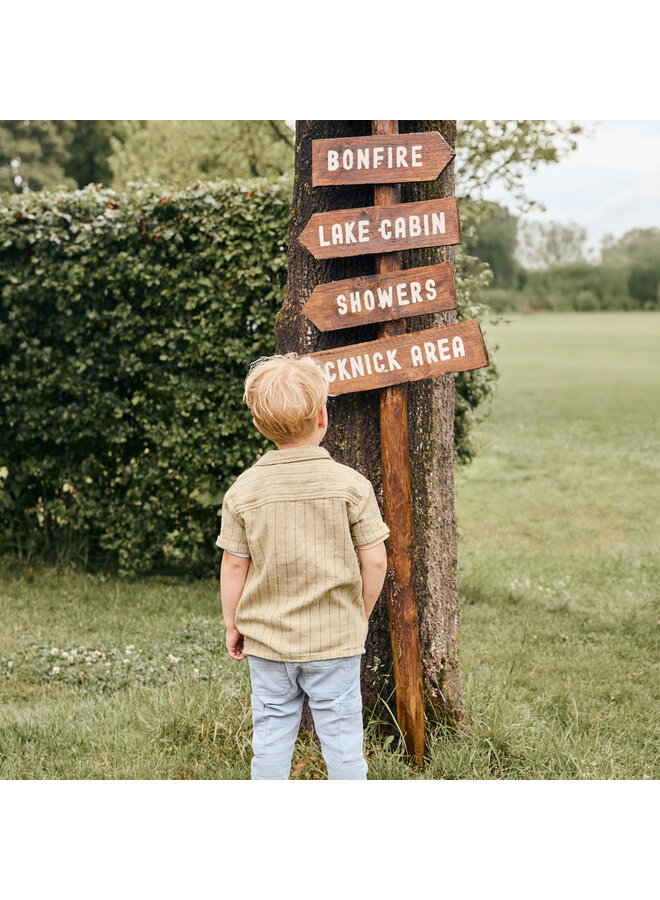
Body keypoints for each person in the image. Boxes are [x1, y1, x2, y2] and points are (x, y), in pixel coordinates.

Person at [216, 353, 389, 780]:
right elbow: (376, 558)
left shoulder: (243, 491)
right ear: (322, 416)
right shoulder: (351, 485)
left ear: (258, 425)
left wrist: (232, 624)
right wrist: (359, 614)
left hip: (269, 645)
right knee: (344, 743)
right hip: (336, 641)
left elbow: (234, 565)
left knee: (271, 740)